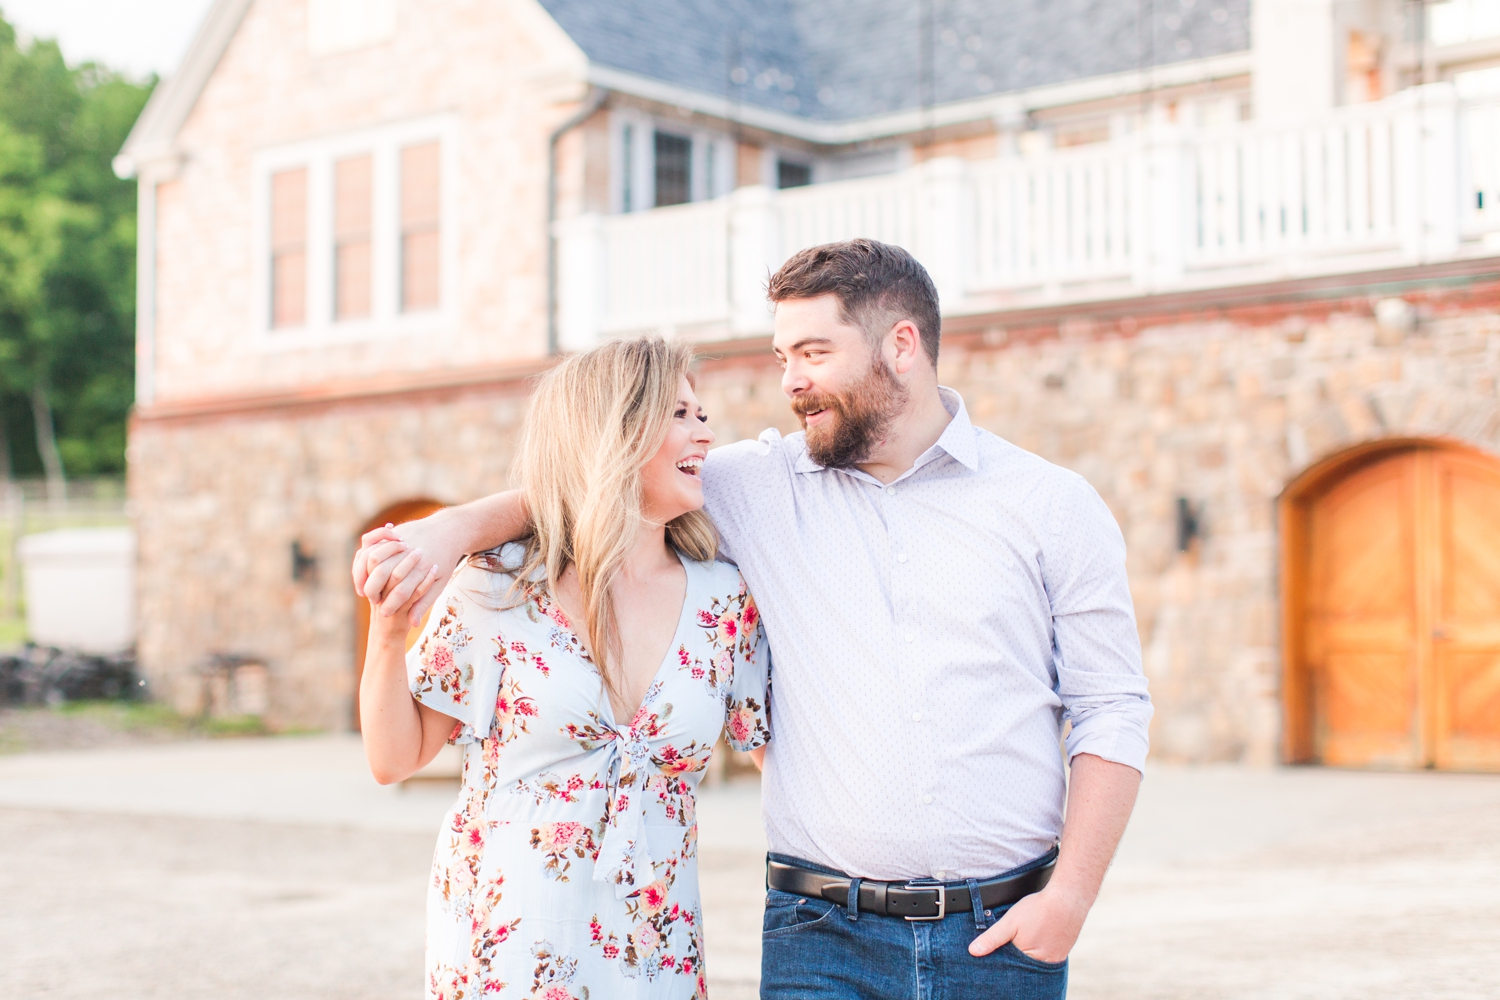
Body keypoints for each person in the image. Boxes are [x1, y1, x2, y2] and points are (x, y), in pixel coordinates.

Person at [355, 239, 1152, 999]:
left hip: (1000, 932)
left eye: (813, 354)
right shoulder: (759, 483)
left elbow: (1111, 709)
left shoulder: (1049, 505)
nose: (791, 383)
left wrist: (1071, 899)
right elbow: (593, 480)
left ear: (901, 345)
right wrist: (450, 531)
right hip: (816, 933)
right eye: (782, 358)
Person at [358, 337, 770, 1000]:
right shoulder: (499, 587)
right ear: (617, 431)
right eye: (682, 414)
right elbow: (392, 758)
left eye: (701, 414)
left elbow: (773, 756)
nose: (707, 433)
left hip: (654, 953)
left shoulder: (725, 598)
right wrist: (386, 629)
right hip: (510, 953)